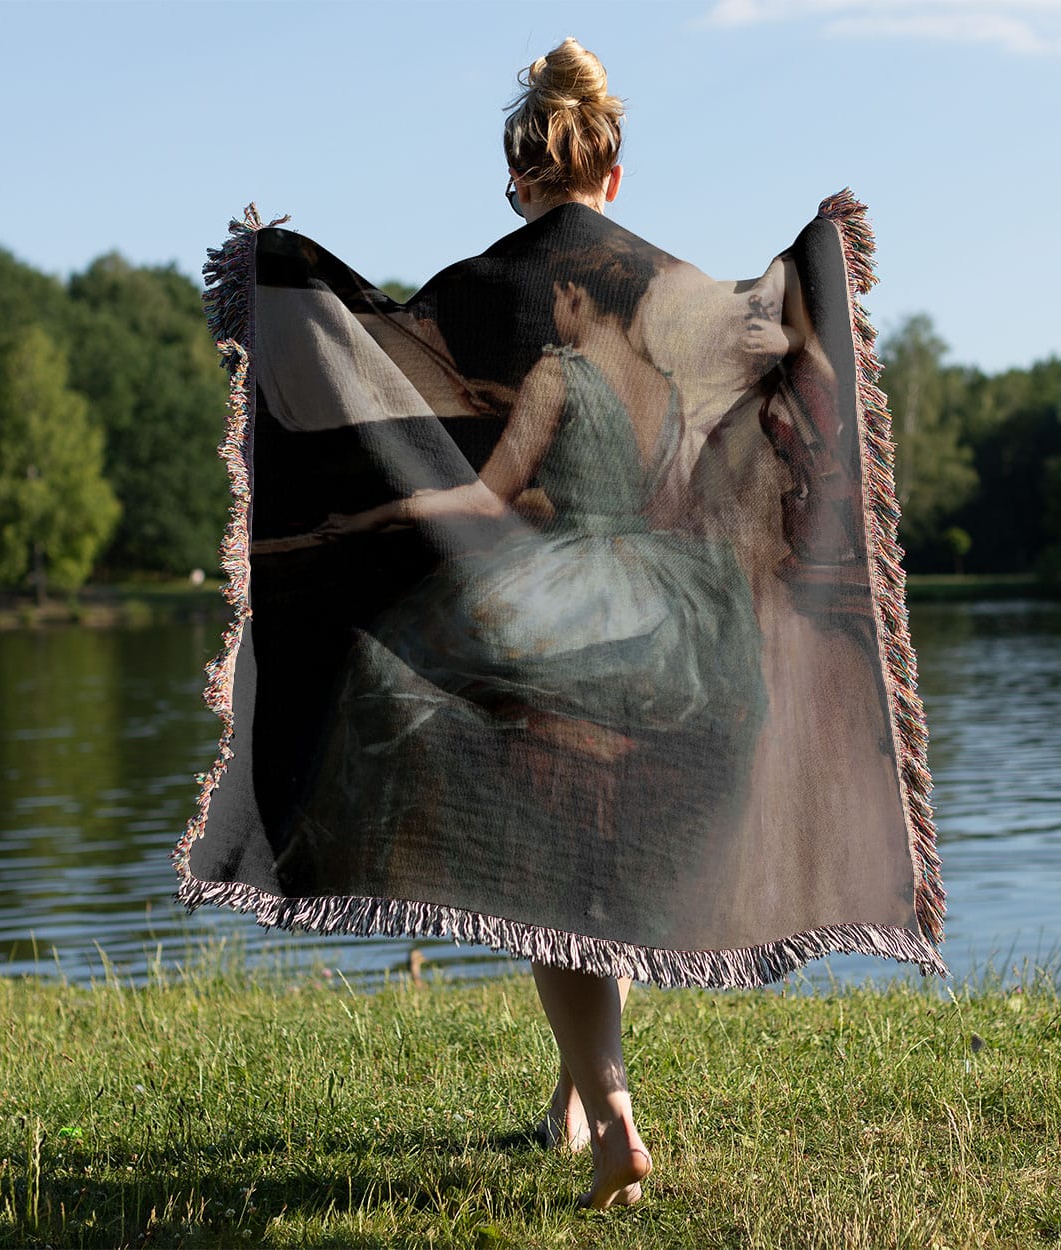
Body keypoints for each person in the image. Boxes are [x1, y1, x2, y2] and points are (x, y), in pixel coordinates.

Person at [306, 36, 805, 1210]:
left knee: (545, 872)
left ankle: (613, 1116)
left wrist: (386, 494)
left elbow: (459, 464)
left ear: (519, 176)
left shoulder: (489, 300)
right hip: (671, 619)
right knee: (601, 861)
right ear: (612, 177)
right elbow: (675, 486)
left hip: (556, 611)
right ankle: (573, 1096)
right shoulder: (673, 317)